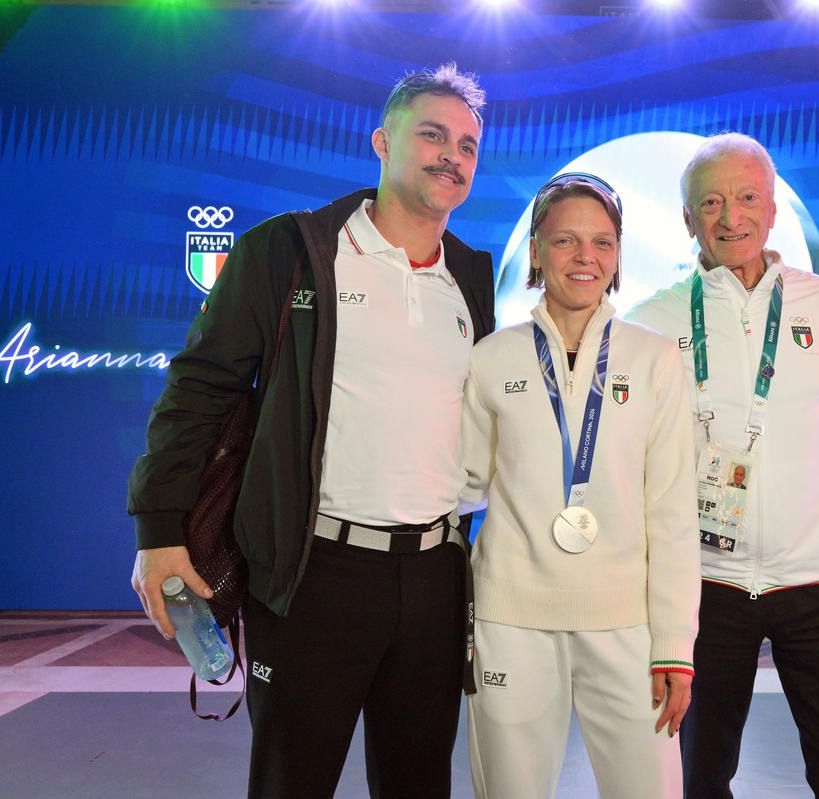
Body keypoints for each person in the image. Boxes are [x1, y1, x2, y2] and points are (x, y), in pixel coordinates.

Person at [127, 64, 495, 799]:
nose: (451, 156)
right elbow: (200, 389)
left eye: (467, 145)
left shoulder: (470, 275)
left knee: (420, 785)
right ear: (381, 143)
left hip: (434, 576)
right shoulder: (288, 251)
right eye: (432, 135)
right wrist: (158, 529)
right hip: (311, 575)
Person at [628, 133, 819, 799]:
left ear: (773, 208)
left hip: (818, 585)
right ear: (687, 219)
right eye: (711, 202)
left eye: (747, 198)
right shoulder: (651, 321)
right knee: (696, 780)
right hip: (703, 589)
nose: (731, 217)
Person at [459, 173, 700, 799]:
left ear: (618, 255)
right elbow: (463, 485)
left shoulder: (655, 359)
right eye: (565, 240)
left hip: (627, 627)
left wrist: (674, 645)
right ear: (536, 251)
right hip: (511, 620)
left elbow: (672, 511)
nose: (584, 257)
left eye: (602, 242)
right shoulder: (492, 357)